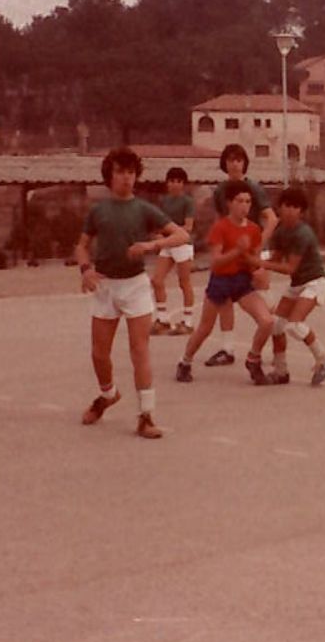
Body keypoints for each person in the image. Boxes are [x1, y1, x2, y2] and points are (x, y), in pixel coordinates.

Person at [76, 147, 189, 439]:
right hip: (105, 286)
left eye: (130, 172)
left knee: (140, 350)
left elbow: (181, 234)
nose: (126, 178)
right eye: (119, 172)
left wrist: (152, 246)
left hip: (136, 286)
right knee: (99, 353)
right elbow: (81, 245)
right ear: (109, 176)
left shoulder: (144, 209)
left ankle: (146, 416)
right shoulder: (98, 211)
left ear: (136, 176)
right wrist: (86, 270)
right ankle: (108, 395)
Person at [176, 181, 275, 385]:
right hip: (221, 281)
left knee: (267, 321)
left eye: (248, 201)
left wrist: (261, 269)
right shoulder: (221, 227)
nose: (244, 206)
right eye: (240, 201)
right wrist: (237, 251)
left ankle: (253, 359)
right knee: (205, 328)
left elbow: (253, 258)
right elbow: (216, 261)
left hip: (242, 281)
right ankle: (184, 361)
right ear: (229, 203)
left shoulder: (254, 230)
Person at [203, 144, 278, 367]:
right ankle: (227, 348)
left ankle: (278, 344)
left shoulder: (253, 188)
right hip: (230, 252)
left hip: (253, 250)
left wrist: (256, 247)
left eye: (239, 159)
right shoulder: (220, 191)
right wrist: (218, 250)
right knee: (224, 298)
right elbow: (219, 221)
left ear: (245, 163)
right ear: (224, 163)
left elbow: (272, 219)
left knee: (264, 299)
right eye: (230, 159)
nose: (235, 163)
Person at [260, 188, 325, 386]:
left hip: (314, 281)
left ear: (301, 211)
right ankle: (280, 371)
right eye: (286, 206)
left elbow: (289, 268)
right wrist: (254, 259)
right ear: (280, 206)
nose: (290, 211)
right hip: (297, 284)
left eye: (295, 207)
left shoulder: (303, 233)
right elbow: (275, 258)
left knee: (294, 325)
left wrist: (259, 263)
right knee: (276, 324)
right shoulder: (280, 231)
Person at [150, 167, 197, 335]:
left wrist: (170, 235)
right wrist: (159, 235)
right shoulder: (164, 201)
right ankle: (162, 319)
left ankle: (188, 321)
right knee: (157, 280)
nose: (174, 184)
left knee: (184, 282)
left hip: (182, 245)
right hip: (168, 245)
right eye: (171, 181)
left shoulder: (187, 202)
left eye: (178, 181)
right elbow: (161, 223)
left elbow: (188, 226)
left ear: (183, 184)